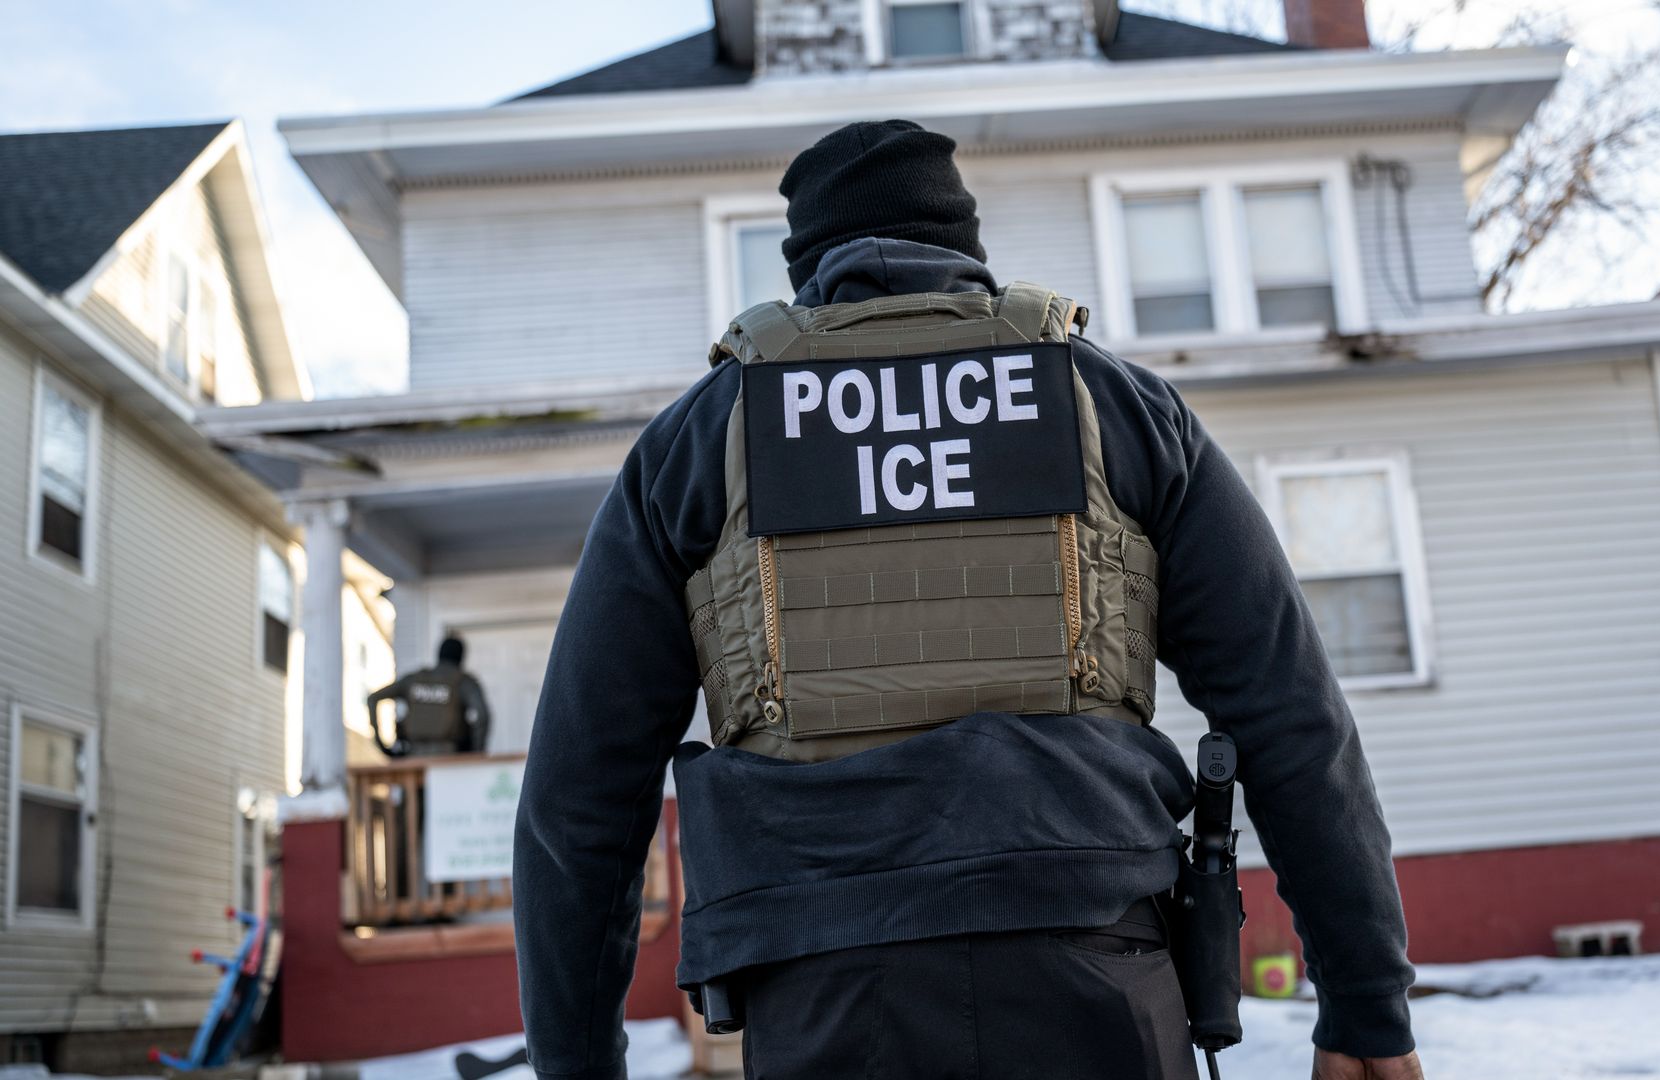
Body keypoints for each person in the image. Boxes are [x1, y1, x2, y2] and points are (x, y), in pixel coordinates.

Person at [514, 120, 1423, 1080]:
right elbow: (1291, 716)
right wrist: (1366, 1009)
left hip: (827, 986)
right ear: (965, 248)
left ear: (806, 266)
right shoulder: (1119, 407)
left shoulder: (695, 442)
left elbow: (580, 796)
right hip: (1098, 957)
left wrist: (573, 1063)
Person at [367, 636, 492, 758]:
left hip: (413, 759)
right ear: (461, 657)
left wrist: (381, 745)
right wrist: (477, 753)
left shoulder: (414, 680)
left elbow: (373, 699)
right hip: (450, 760)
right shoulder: (463, 681)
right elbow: (482, 715)